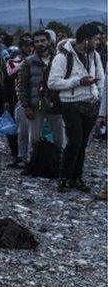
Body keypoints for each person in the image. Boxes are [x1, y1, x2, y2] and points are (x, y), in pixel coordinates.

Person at [48, 22, 104, 193]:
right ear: (86, 40)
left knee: (82, 143)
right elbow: (53, 83)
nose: (99, 42)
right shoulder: (62, 57)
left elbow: (100, 77)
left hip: (90, 103)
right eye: (96, 39)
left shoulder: (94, 56)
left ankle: (76, 178)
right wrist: (78, 82)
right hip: (70, 104)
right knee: (75, 142)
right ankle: (64, 178)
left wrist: (97, 95)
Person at [16, 31, 66, 165]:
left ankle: (59, 161)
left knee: (59, 135)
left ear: (49, 41)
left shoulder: (59, 59)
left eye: (42, 40)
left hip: (55, 104)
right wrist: (25, 106)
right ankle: (34, 162)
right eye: (37, 41)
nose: (40, 44)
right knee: (34, 136)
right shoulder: (28, 62)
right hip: (35, 104)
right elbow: (22, 86)